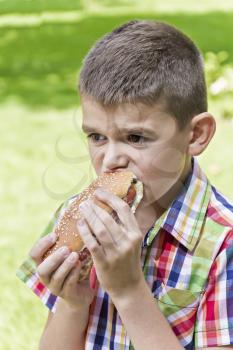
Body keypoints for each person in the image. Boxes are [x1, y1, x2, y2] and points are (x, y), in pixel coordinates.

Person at [16, 20, 233, 350]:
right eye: (97, 137)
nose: (110, 159)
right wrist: (72, 304)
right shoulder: (82, 217)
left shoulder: (223, 247)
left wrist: (129, 291)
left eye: (135, 137)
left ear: (195, 134)